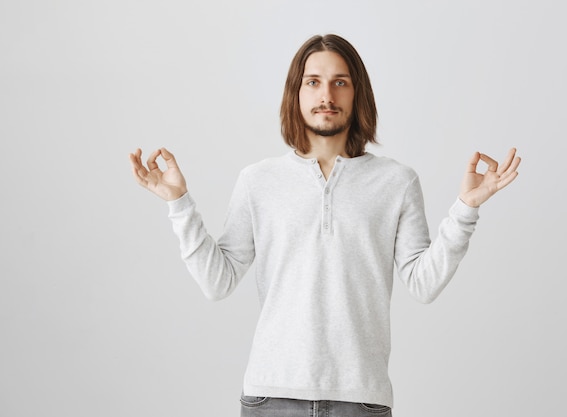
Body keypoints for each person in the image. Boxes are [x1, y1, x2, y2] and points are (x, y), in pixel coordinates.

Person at [129, 34, 521, 417]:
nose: (326, 96)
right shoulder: (258, 180)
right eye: (313, 82)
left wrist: (466, 208)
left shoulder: (396, 181)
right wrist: (179, 203)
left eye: (340, 82)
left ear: (357, 93)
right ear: (295, 93)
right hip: (271, 397)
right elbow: (218, 281)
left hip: (361, 399)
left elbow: (424, 283)